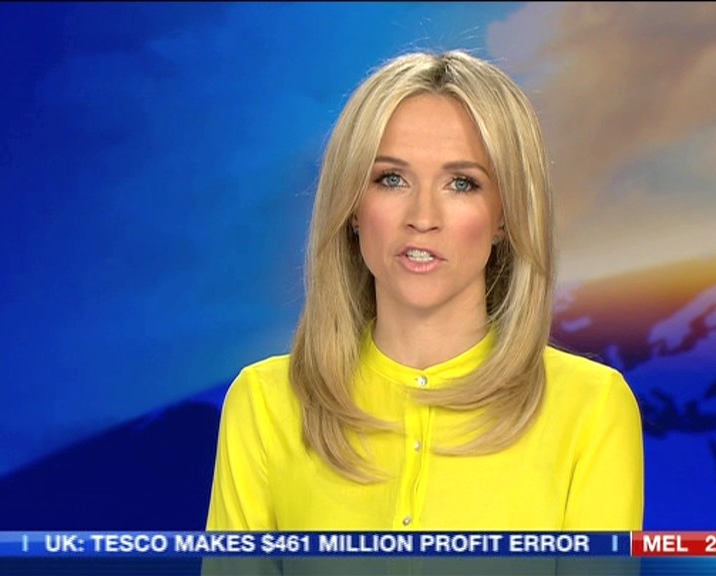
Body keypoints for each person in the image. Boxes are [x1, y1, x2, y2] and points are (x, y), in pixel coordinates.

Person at [206, 49, 644, 534]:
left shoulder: (591, 409)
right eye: (391, 179)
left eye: (462, 183)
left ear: (505, 216)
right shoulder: (264, 403)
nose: (422, 217)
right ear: (352, 206)